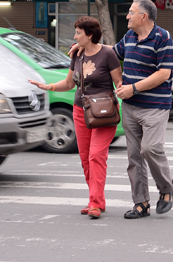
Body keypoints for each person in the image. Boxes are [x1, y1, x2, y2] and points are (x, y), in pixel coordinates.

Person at [69, 0, 173, 219]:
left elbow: (164, 74)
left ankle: (166, 189)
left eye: (130, 12)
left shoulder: (162, 38)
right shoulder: (129, 36)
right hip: (130, 107)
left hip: (155, 106)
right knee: (134, 156)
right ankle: (141, 203)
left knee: (151, 148)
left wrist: (133, 88)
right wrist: (84, 45)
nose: (127, 16)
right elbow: (110, 52)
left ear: (143, 16)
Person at [29, 16, 123, 219]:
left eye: (78, 33)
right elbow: (69, 83)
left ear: (90, 35)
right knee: (85, 159)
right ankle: (96, 199)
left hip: (104, 112)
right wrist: (49, 87)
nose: (75, 36)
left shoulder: (108, 54)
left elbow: (119, 83)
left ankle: (95, 203)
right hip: (80, 111)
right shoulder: (77, 55)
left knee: (96, 155)